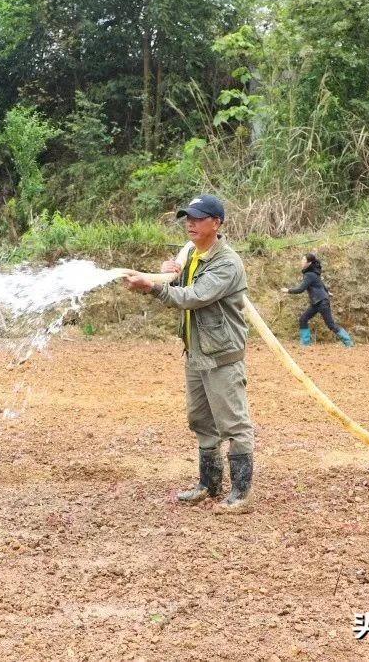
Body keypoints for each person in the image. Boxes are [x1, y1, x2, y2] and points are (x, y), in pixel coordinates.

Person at [120, 195, 254, 514]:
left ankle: (242, 494)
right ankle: (209, 484)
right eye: (187, 218)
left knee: (233, 424)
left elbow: (195, 296)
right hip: (196, 350)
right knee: (200, 420)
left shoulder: (227, 263)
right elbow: (184, 284)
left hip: (221, 354)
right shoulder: (194, 254)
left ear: (216, 223)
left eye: (197, 217)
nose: (189, 223)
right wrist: (170, 274)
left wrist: (153, 286)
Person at [280, 253, 353, 347]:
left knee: (330, 325)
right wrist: (327, 291)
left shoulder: (309, 275)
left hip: (322, 302)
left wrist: (288, 290)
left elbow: (301, 289)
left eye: (303, 260)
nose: (301, 261)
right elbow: (320, 283)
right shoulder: (313, 273)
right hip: (316, 302)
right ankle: (305, 344)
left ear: (309, 263)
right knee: (303, 319)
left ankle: (348, 342)